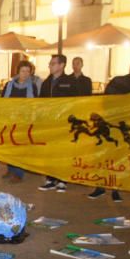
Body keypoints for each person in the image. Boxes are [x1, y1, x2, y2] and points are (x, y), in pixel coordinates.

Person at [86, 59, 130, 202]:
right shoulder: (119, 82)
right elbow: (108, 103)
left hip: (128, 130)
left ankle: (116, 189)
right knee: (105, 158)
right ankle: (100, 187)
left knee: (122, 159)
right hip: (110, 128)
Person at [38, 54, 77, 193]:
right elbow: (40, 101)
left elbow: (76, 102)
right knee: (49, 152)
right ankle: (50, 178)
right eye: (50, 63)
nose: (50, 65)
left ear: (62, 65)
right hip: (49, 123)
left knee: (63, 151)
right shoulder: (46, 82)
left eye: (53, 63)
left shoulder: (70, 81)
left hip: (64, 123)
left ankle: (62, 179)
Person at [1, 61, 38, 183]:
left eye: (28, 71)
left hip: (24, 121)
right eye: (23, 71)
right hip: (10, 119)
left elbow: (35, 104)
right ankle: (10, 169)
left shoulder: (33, 86)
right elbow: (2, 101)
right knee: (9, 146)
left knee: (20, 147)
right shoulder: (9, 85)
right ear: (18, 72)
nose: (25, 74)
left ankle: (19, 173)